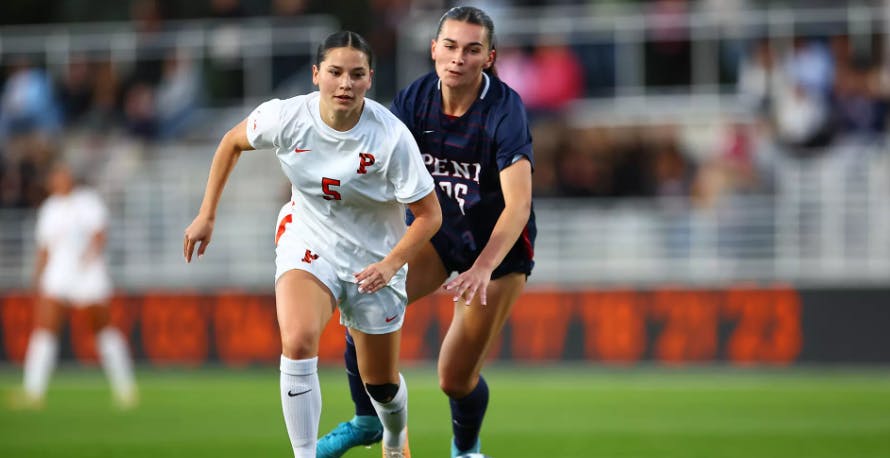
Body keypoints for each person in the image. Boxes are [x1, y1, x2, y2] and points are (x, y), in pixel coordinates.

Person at [183, 31, 441, 458]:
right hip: (308, 238)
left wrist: (392, 264)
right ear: (316, 74)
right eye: (335, 72)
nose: (345, 84)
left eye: (356, 75)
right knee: (300, 338)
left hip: (374, 259)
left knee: (381, 384)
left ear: (369, 79)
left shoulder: (391, 137)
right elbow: (232, 141)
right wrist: (207, 213)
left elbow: (431, 215)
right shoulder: (287, 117)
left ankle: (393, 437)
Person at [317, 7, 535, 458]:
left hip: (496, 253)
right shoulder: (414, 101)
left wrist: (481, 267)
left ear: (489, 57)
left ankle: (466, 448)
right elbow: (376, 168)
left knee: (453, 378)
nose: (459, 58)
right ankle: (366, 421)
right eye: (450, 46)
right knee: (362, 303)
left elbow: (518, 205)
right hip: (437, 234)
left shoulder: (505, 110)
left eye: (472, 49)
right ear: (434, 49)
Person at [14, 163, 137, 409]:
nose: (58, 181)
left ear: (69, 178)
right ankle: (33, 392)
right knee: (45, 331)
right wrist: (37, 277)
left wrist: (88, 259)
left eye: (62, 176)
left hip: (88, 275)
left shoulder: (87, 201)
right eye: (54, 178)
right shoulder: (49, 208)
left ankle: (126, 389)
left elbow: (100, 234)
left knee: (103, 329)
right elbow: (44, 248)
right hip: (58, 276)